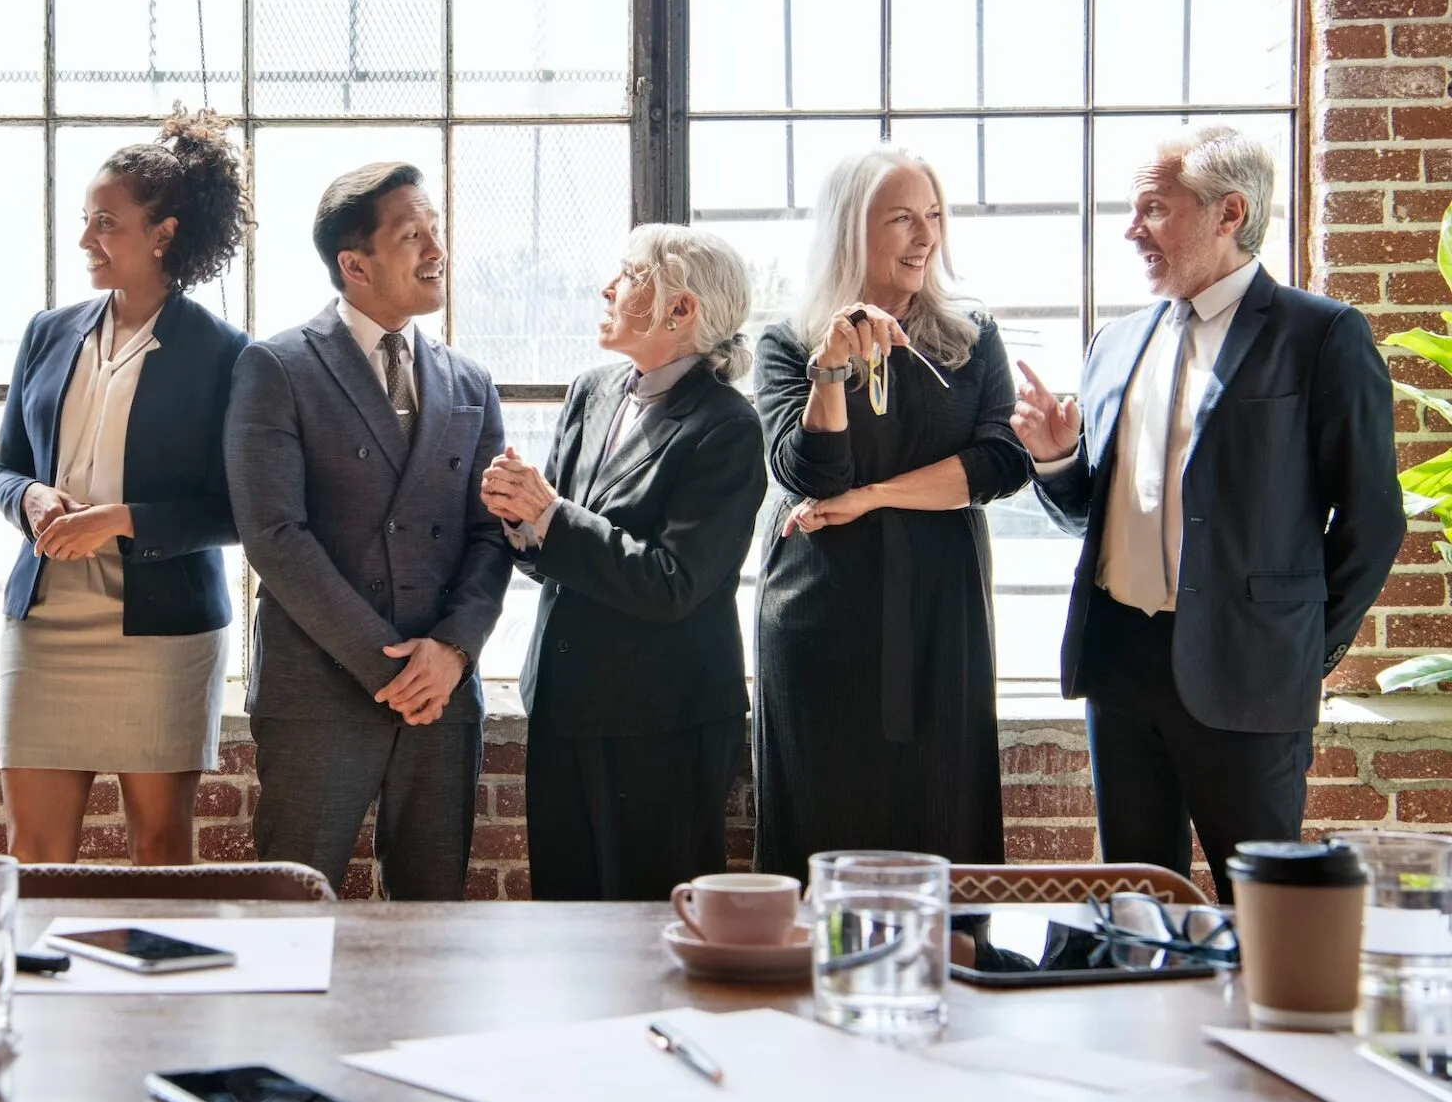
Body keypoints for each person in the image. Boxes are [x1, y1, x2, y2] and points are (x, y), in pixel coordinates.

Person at [1013, 126, 1403, 903]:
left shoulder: (1321, 334)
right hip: (1121, 664)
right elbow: (1091, 516)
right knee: (1137, 906)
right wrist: (1056, 459)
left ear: (1230, 212)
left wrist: (1297, 650)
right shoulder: (1116, 342)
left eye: (1153, 209)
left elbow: (1372, 521)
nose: (1132, 230)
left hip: (1249, 672)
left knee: (1258, 911)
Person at [224, 161, 511, 899]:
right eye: (413, 235)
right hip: (320, 691)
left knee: (430, 920)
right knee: (288, 913)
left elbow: (491, 535)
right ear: (354, 264)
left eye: (435, 230)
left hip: (441, 697)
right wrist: (393, 669)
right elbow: (275, 537)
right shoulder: (277, 366)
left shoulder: (470, 382)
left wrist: (451, 651)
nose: (436, 250)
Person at [751, 146, 1030, 877]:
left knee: (942, 815)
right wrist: (832, 370)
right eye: (903, 217)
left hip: (943, 605)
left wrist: (873, 496)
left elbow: (1002, 462)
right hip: (821, 610)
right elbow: (811, 470)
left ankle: (948, 975)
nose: (925, 235)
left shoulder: (972, 334)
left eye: (933, 216)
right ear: (850, 228)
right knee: (823, 822)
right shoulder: (789, 341)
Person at [0, 108, 249, 865]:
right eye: (85, 221)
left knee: (162, 846)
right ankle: (35, 985)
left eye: (105, 223)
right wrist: (30, 499)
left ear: (163, 233)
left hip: (164, 629)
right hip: (43, 619)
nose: (85, 241)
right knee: (34, 850)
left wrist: (123, 519)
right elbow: (6, 467)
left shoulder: (225, 353)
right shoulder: (48, 331)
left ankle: (156, 988)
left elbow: (236, 511)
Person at [482, 224, 764, 900]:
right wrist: (519, 521)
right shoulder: (592, 390)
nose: (607, 288)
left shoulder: (727, 426)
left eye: (629, 275)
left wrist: (550, 516)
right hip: (563, 702)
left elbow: (675, 584)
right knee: (566, 918)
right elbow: (554, 550)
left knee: (651, 925)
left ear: (682, 309)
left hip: (662, 721)